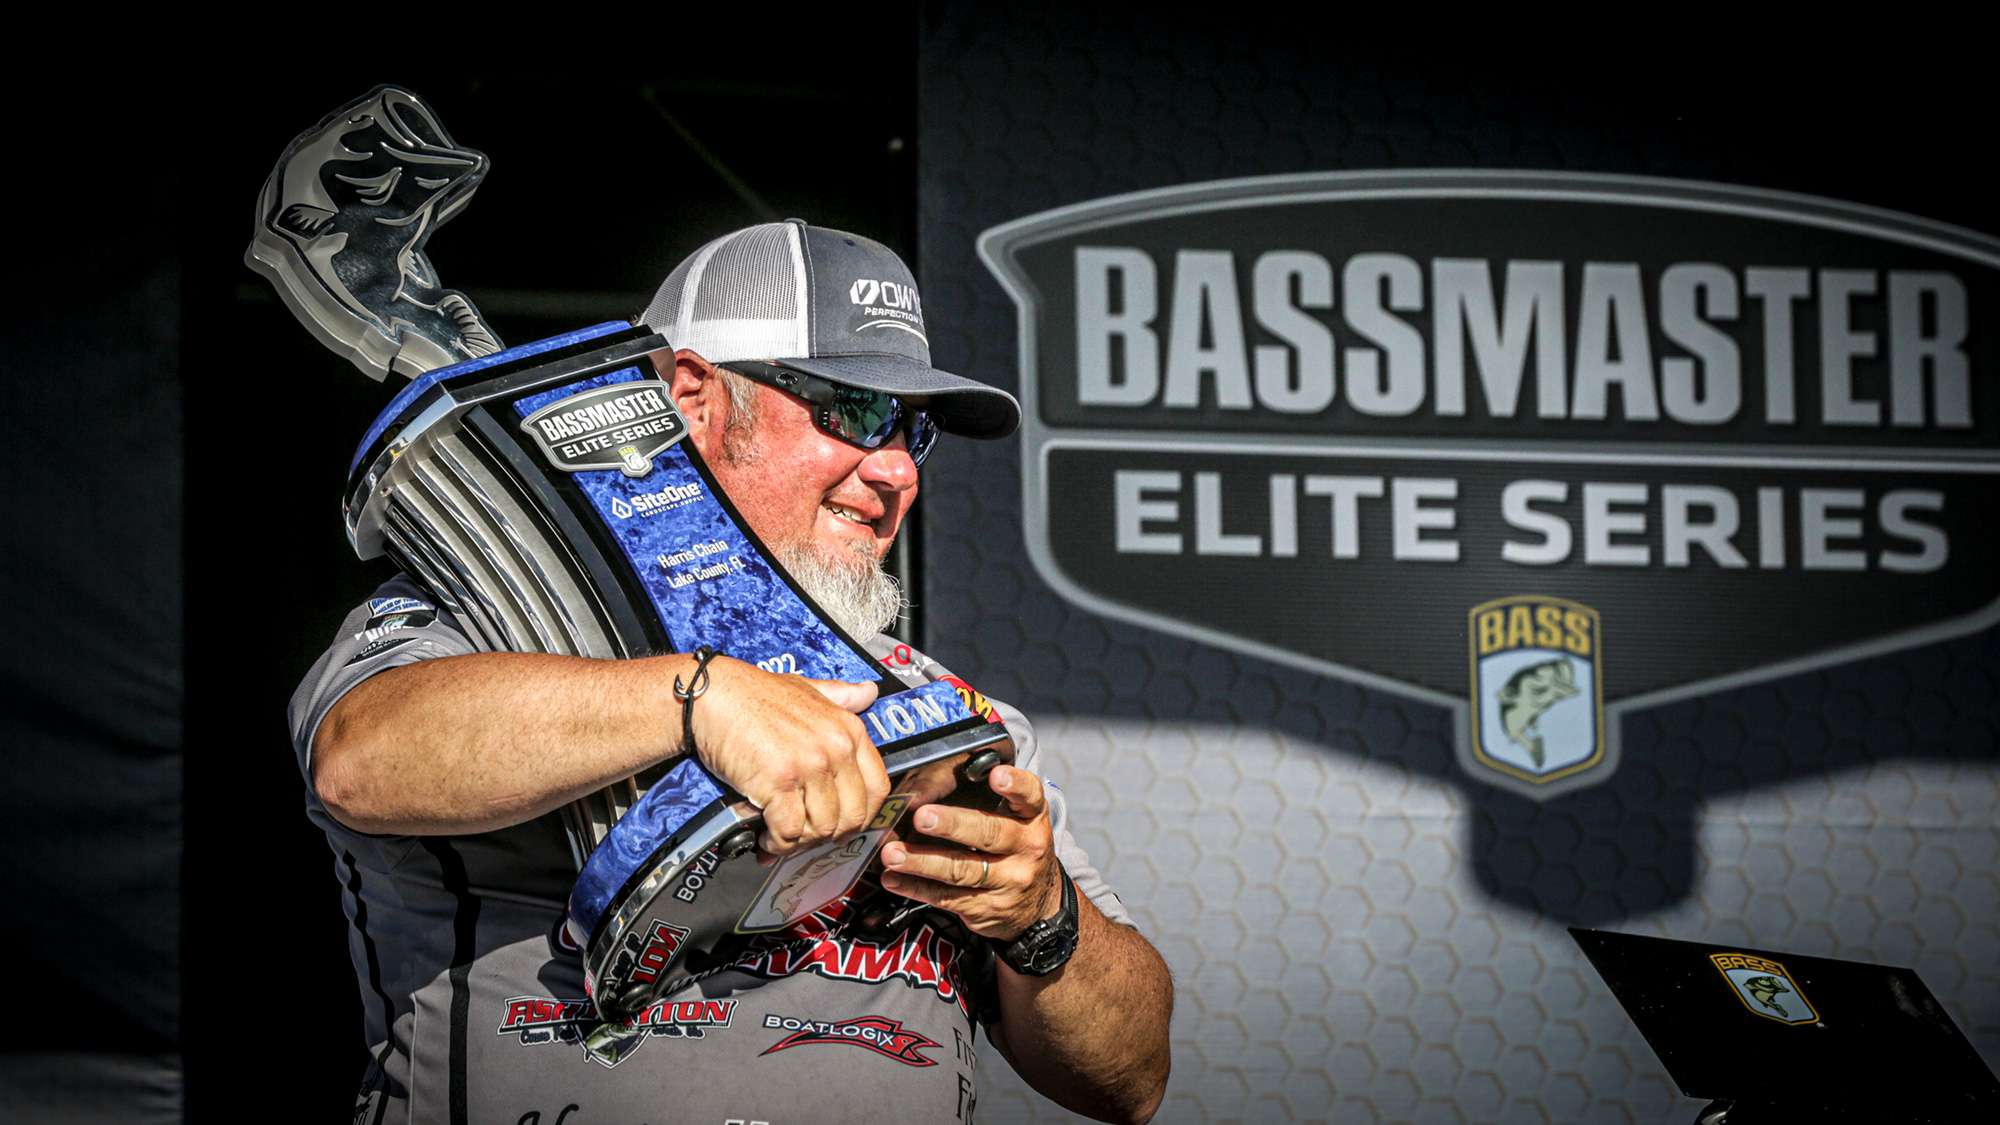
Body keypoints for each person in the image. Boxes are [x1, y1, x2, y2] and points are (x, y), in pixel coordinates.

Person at [290, 220, 1174, 1124]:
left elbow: (1132, 1080)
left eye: (914, 430)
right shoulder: (502, 620)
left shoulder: (950, 714)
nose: (897, 470)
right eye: (856, 410)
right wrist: (698, 696)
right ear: (693, 400)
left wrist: (1040, 916)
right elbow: (357, 757)